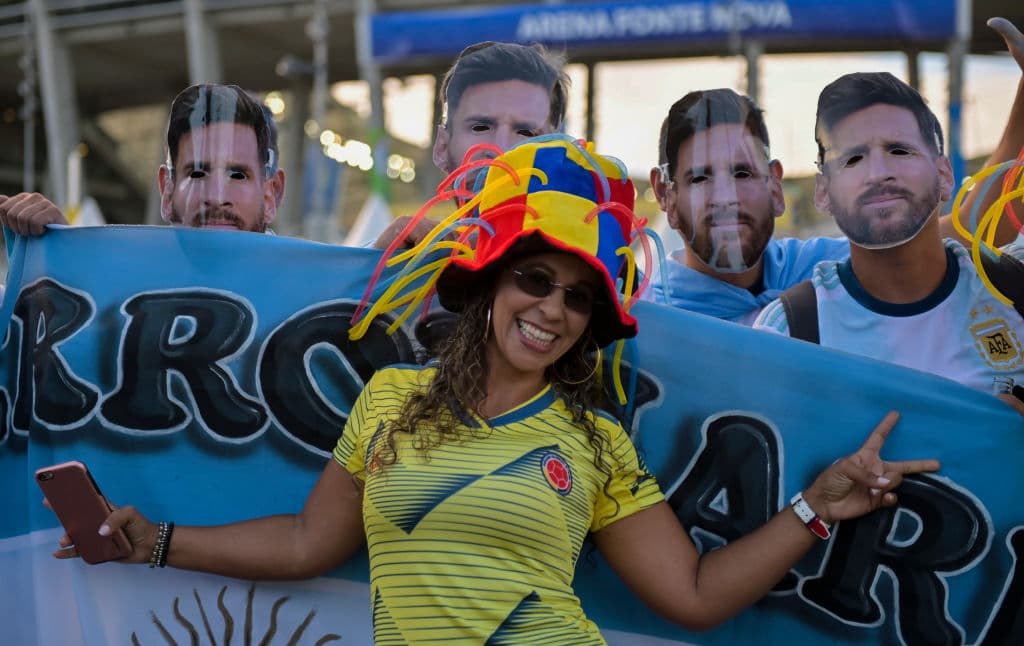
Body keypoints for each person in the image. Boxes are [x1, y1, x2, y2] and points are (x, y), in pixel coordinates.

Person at [51, 138, 939, 643]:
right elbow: (304, 543)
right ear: (487, 284)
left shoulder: (596, 443)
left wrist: (817, 508)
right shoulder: (390, 399)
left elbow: (695, 596)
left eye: (579, 299)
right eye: (536, 281)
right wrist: (154, 542)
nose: (552, 310)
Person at [646, 17, 1024, 325]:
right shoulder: (643, 322)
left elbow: (972, 232)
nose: (726, 197)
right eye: (700, 178)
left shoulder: (816, 269)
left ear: (775, 187)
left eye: (743, 174)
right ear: (665, 195)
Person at [753, 71, 1024, 417]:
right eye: (852, 159)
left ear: (944, 175)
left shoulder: (1012, 290)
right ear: (823, 192)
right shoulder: (787, 331)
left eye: (899, 150)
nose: (878, 173)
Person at [0, 84, 285, 236]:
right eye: (197, 174)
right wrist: (61, 251)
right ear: (167, 191)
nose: (217, 197)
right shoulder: (122, 287)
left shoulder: (308, 297)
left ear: (270, 195)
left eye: (238, 175)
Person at [373, 41, 569, 249]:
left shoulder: (587, 257)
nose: (501, 151)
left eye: (526, 132)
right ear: (442, 147)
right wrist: (379, 262)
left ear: (557, 153)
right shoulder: (407, 253)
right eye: (480, 127)